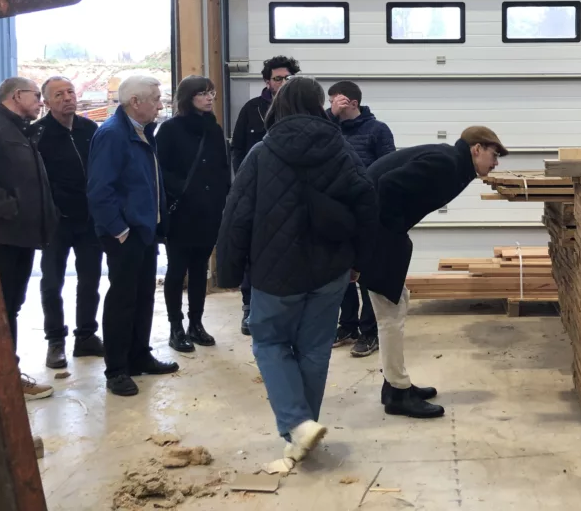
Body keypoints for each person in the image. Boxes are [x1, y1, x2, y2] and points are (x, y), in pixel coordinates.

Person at [217, 77, 378, 465]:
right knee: (314, 349)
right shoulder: (341, 149)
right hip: (331, 270)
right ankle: (303, 430)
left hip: (275, 271)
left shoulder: (262, 152)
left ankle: (297, 424)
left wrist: (229, 272)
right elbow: (368, 205)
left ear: (280, 106)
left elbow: (236, 215)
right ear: (319, 105)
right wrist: (359, 261)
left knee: (270, 342)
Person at [363, 126, 507, 419]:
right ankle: (398, 394)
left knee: (396, 305)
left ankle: (395, 385)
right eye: (494, 155)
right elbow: (387, 185)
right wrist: (394, 234)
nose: (496, 163)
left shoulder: (455, 164)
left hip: (377, 233)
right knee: (390, 313)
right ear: (476, 149)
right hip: (376, 235)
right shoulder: (447, 163)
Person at [87, 75, 179, 397]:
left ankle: (139, 356)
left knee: (143, 297)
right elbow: (99, 190)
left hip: (144, 231)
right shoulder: (113, 134)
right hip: (125, 234)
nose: (160, 105)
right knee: (123, 301)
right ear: (135, 102)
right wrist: (120, 230)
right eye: (155, 99)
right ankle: (116, 370)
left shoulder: (142, 131)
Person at [0, 77, 58, 400]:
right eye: (36, 96)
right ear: (17, 95)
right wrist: (9, 208)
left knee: (8, 309)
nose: (41, 102)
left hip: (21, 235)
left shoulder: (22, 131)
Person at [29, 76, 104, 370]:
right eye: (59, 94)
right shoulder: (38, 134)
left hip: (88, 220)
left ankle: (86, 336)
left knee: (90, 280)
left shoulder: (90, 129)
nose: (67, 98)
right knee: (51, 283)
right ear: (47, 102)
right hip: (56, 222)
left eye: (70, 92)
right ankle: (55, 341)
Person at [156, 76, 231, 353]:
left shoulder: (213, 128)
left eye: (211, 92)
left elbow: (222, 168)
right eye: (202, 93)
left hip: (209, 211)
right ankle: (175, 327)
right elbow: (160, 170)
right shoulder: (169, 129)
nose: (209, 98)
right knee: (177, 270)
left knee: (200, 269)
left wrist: (222, 199)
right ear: (188, 97)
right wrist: (184, 192)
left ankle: (196, 323)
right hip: (181, 212)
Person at [231, 55, 300, 336]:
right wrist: (245, 182)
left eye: (287, 78)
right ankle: (250, 308)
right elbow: (237, 148)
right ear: (267, 81)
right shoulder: (251, 109)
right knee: (254, 250)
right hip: (258, 192)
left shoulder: (303, 109)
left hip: (293, 194)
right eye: (277, 78)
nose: (282, 83)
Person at [327, 81, 395, 358]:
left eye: (336, 101)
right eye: (329, 102)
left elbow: (390, 167)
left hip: (368, 212)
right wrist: (331, 116)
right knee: (342, 271)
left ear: (352, 103)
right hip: (339, 211)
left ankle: (369, 331)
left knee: (367, 273)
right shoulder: (330, 129)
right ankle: (347, 325)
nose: (331, 105)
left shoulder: (378, 130)